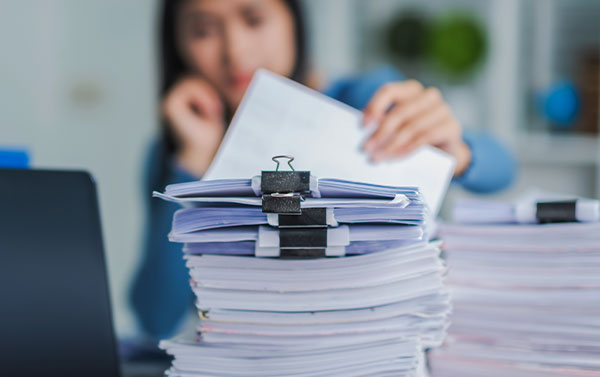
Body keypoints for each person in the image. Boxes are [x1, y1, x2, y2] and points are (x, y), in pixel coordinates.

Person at [130, 0, 517, 341]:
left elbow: (502, 168)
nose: (235, 50)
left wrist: (457, 152)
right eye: (203, 31)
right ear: (177, 45)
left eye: (254, 19)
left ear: (293, 18)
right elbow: (155, 317)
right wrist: (193, 167)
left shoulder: (363, 103)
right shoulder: (179, 152)